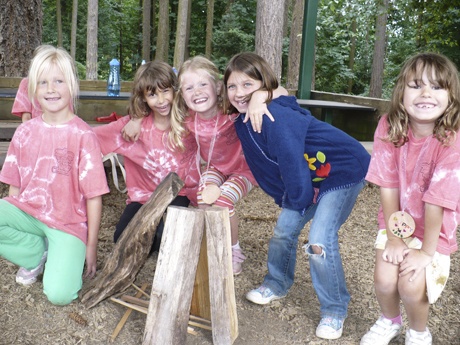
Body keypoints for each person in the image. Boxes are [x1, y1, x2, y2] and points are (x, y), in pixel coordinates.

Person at [223, 52, 371, 340]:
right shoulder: (244, 119)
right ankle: (277, 283)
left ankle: (334, 309)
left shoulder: (275, 117)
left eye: (247, 85)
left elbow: (291, 162)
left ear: (262, 85)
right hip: (311, 178)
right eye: (232, 86)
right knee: (283, 231)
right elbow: (269, 164)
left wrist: (298, 199)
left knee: (319, 239)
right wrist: (291, 200)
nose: (239, 93)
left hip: (343, 170)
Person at [360, 53, 460, 345]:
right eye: (416, 85)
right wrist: (394, 238)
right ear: (401, 93)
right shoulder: (389, 125)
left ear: (452, 97)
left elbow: (437, 200)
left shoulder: (453, 137)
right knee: (385, 279)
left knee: (412, 285)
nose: (426, 93)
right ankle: (389, 320)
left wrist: (426, 253)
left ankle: (418, 331)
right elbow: (388, 184)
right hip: (399, 220)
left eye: (437, 87)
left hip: (435, 226)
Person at [0, 45, 109, 305]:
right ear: (33, 91)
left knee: (59, 296)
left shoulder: (83, 135)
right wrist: (13, 217)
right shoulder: (25, 132)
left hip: (67, 224)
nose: (51, 89)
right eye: (43, 83)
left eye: (58, 81)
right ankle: (35, 253)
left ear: (71, 85)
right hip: (30, 214)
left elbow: (94, 197)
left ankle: (58, 250)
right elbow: (14, 185)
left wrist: (91, 247)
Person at [94, 61, 200, 252]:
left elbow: (215, 115)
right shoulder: (131, 129)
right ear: (143, 98)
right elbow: (90, 139)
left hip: (178, 194)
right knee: (122, 240)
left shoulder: (188, 122)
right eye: (152, 94)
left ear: (175, 90)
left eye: (165, 91)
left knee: (162, 237)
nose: (161, 100)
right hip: (143, 197)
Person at [11, 45, 56, 122]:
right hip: (34, 128)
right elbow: (26, 117)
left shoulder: (61, 84)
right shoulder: (27, 83)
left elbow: (67, 114)